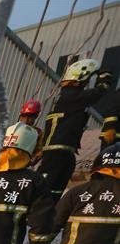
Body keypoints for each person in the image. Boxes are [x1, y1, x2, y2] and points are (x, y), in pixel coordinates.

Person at [38, 60, 112, 200]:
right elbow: (96, 93)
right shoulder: (71, 96)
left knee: (55, 189)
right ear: (78, 79)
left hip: (64, 151)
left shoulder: (68, 97)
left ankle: (48, 215)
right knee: (47, 189)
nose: (85, 85)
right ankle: (35, 217)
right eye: (85, 81)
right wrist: (105, 79)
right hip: (57, 152)